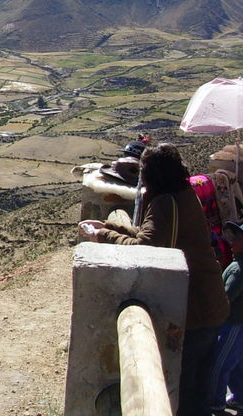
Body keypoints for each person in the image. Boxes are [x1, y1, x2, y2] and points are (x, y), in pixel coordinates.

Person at [80, 143, 229, 416]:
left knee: (187, 391)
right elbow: (151, 233)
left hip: (194, 309)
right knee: (199, 387)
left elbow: (147, 247)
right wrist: (112, 226)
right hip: (209, 304)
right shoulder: (182, 194)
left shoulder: (165, 202)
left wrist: (102, 235)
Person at [208, 221, 243, 414]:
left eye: (238, 238)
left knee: (220, 364)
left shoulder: (239, 270)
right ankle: (240, 397)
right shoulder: (237, 265)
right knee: (236, 364)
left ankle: (215, 402)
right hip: (238, 324)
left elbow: (226, 297)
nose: (233, 241)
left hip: (233, 324)